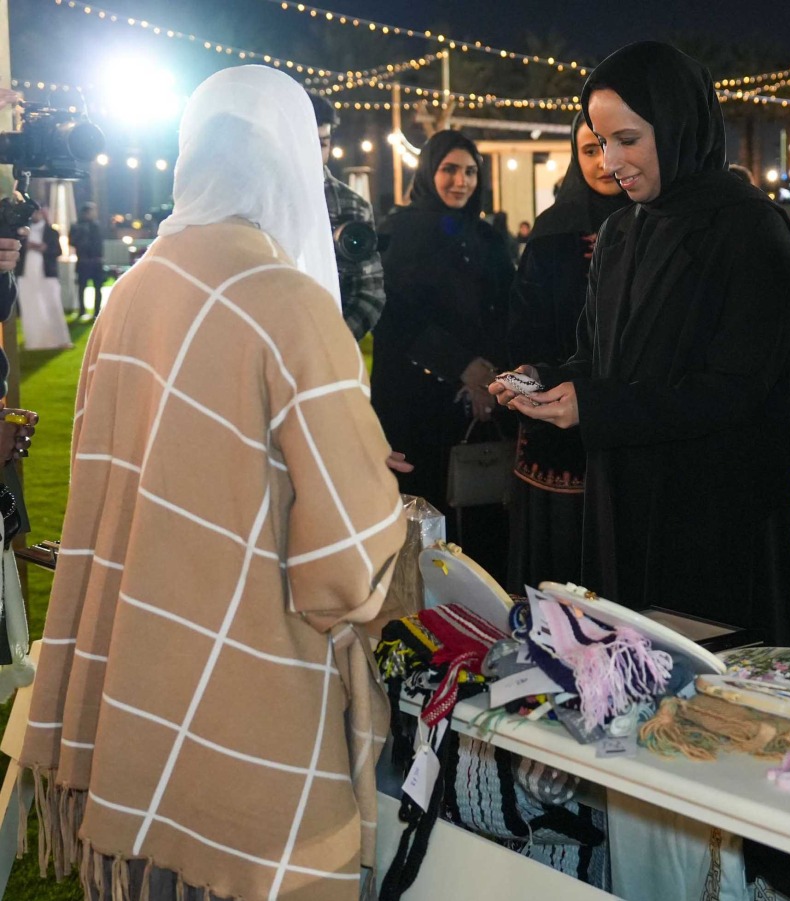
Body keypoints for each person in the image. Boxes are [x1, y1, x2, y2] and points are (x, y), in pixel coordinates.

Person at [19, 65, 410, 900]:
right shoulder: (290, 304)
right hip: (254, 696)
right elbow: (350, 551)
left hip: (134, 677)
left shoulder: (129, 292)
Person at [492, 42, 790, 646]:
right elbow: (594, 357)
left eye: (627, 139)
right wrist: (542, 379)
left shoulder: (752, 230)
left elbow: (735, 391)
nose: (610, 160)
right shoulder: (621, 230)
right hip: (622, 503)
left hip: (714, 513)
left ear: (675, 126)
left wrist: (595, 408)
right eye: (596, 142)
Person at [372, 130, 516, 580]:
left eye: (471, 171)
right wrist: (461, 368)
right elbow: (395, 316)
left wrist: (489, 377)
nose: (461, 181)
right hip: (420, 406)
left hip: (481, 407)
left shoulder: (489, 239)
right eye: (449, 169)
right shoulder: (398, 233)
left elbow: (509, 311)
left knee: (484, 515)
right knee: (428, 518)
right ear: (429, 173)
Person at [505, 111, 630, 590]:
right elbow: (526, 325)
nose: (603, 162)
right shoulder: (553, 230)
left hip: (631, 419)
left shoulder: (654, 223)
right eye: (589, 150)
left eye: (611, 146)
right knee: (562, 569)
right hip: (557, 428)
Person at [309, 92, 386, 340]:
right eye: (306, 141)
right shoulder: (259, 200)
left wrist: (330, 343)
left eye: (322, 143)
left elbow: (369, 293)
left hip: (327, 354)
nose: (314, 153)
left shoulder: (351, 205)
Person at [16, 206, 71, 350]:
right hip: (27, 274)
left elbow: (57, 251)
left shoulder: (51, 232)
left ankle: (60, 339)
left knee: (52, 305)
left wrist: (43, 248)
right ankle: (35, 340)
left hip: (47, 273)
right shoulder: (22, 232)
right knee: (30, 306)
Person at [69, 200, 105, 318]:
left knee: (98, 288)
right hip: (83, 261)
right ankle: (82, 310)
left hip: (96, 261)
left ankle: (96, 312)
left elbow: (99, 243)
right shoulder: (76, 226)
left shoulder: (97, 226)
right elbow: (73, 242)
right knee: (82, 287)